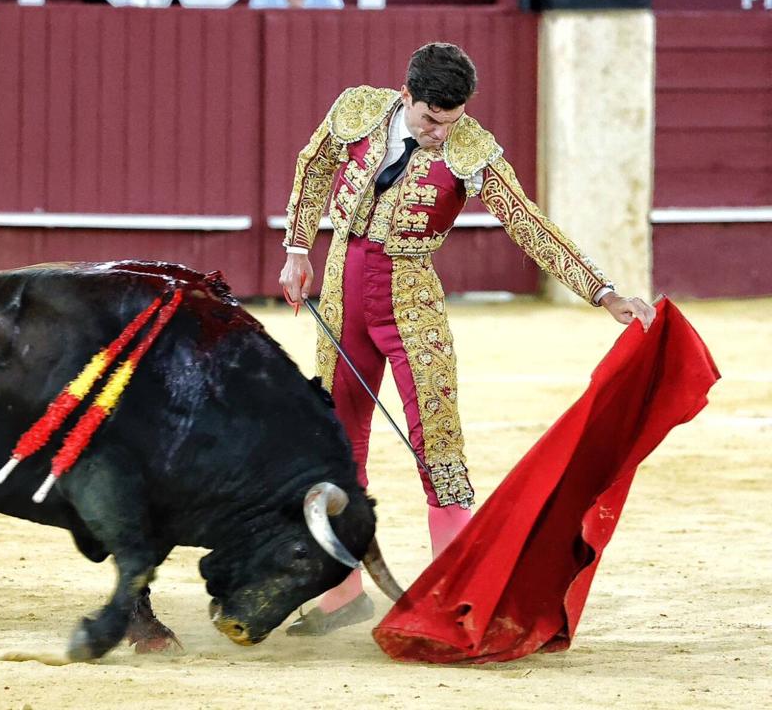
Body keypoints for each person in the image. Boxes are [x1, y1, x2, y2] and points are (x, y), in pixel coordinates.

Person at [278, 42, 655, 635]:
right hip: (342, 287)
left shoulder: (471, 150)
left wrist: (602, 291)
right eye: (430, 120)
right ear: (407, 96)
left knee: (440, 445)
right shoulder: (356, 110)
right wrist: (298, 247)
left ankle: (458, 600)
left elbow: (528, 223)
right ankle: (340, 594)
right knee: (334, 443)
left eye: (450, 123)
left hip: (411, 298)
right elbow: (314, 165)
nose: (439, 134)